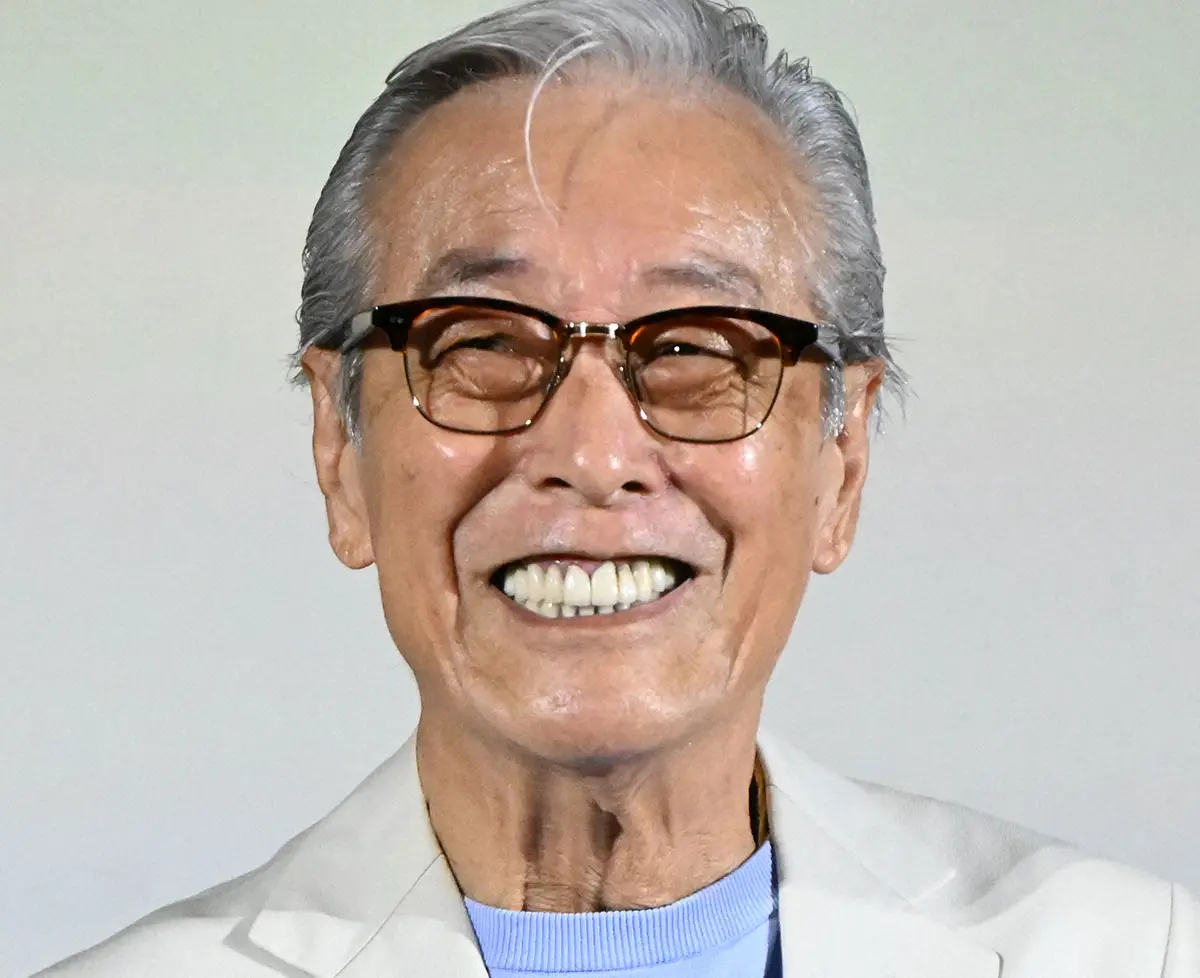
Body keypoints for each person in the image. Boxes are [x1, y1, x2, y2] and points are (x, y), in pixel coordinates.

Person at [37, 0, 1198, 975]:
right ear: (338, 453)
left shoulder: (1132, 954)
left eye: (696, 347)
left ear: (841, 464)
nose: (592, 455)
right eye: (482, 341)